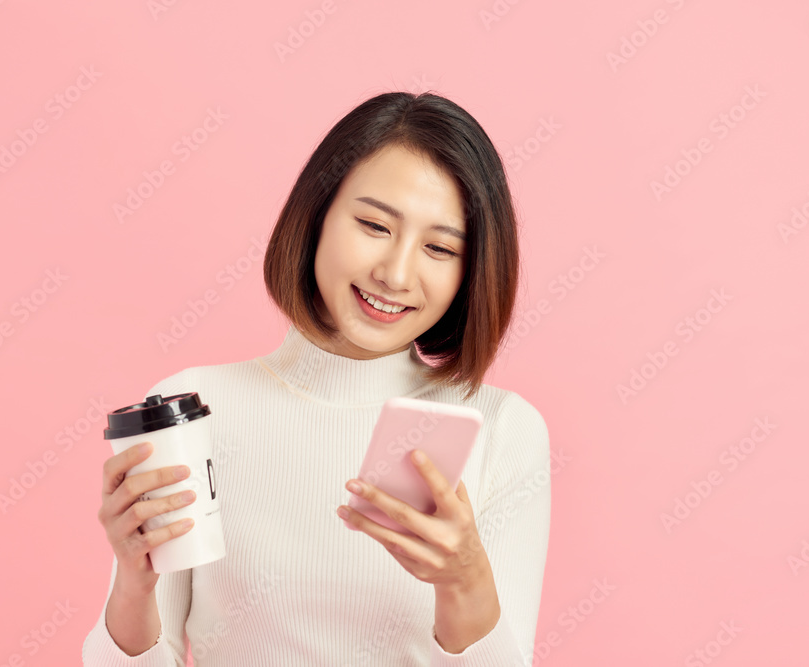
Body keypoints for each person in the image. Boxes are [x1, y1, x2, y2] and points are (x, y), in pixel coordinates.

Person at [82, 91, 551, 666]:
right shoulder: (193, 411)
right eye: (375, 225)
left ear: (469, 271)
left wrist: (464, 579)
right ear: (317, 216)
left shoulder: (501, 430)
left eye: (438, 247)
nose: (396, 273)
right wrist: (133, 582)